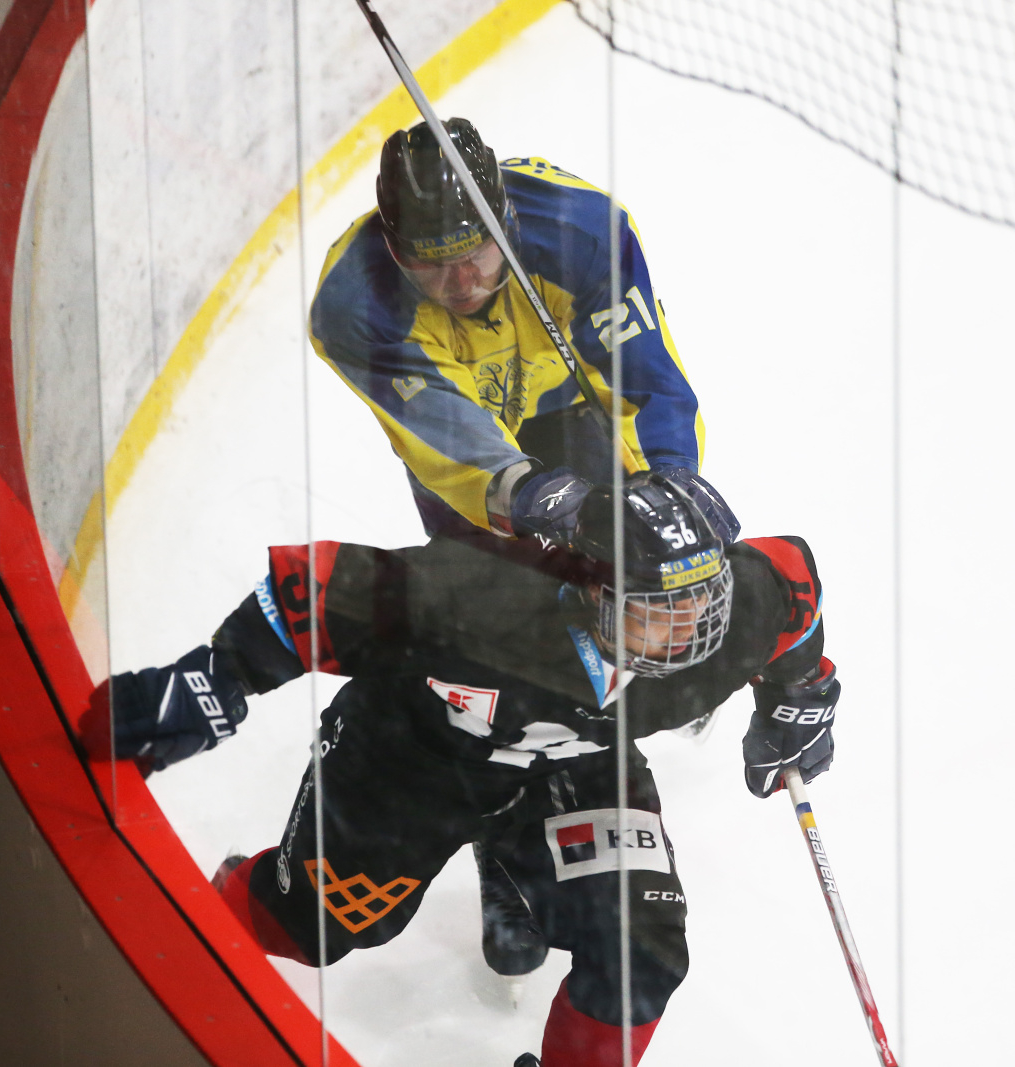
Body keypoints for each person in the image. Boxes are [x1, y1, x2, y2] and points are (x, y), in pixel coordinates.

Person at [98, 474, 841, 1067]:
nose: (693, 630)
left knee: (639, 954)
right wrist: (217, 675)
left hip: (576, 767)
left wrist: (803, 694)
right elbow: (312, 589)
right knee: (302, 929)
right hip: (413, 756)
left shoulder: (731, 617)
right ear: (595, 590)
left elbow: (792, 578)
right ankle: (190, 922)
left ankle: (513, 865)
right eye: (659, 610)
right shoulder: (487, 600)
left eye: (703, 599)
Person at [308, 118, 740, 547]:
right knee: (485, 578)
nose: (462, 284)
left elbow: (644, 374)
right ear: (395, 253)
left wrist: (673, 473)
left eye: (477, 256)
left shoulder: (583, 233)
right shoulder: (352, 303)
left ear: (507, 222)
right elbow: (451, 434)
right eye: (431, 267)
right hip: (461, 441)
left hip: (569, 403)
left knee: (633, 548)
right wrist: (530, 496)